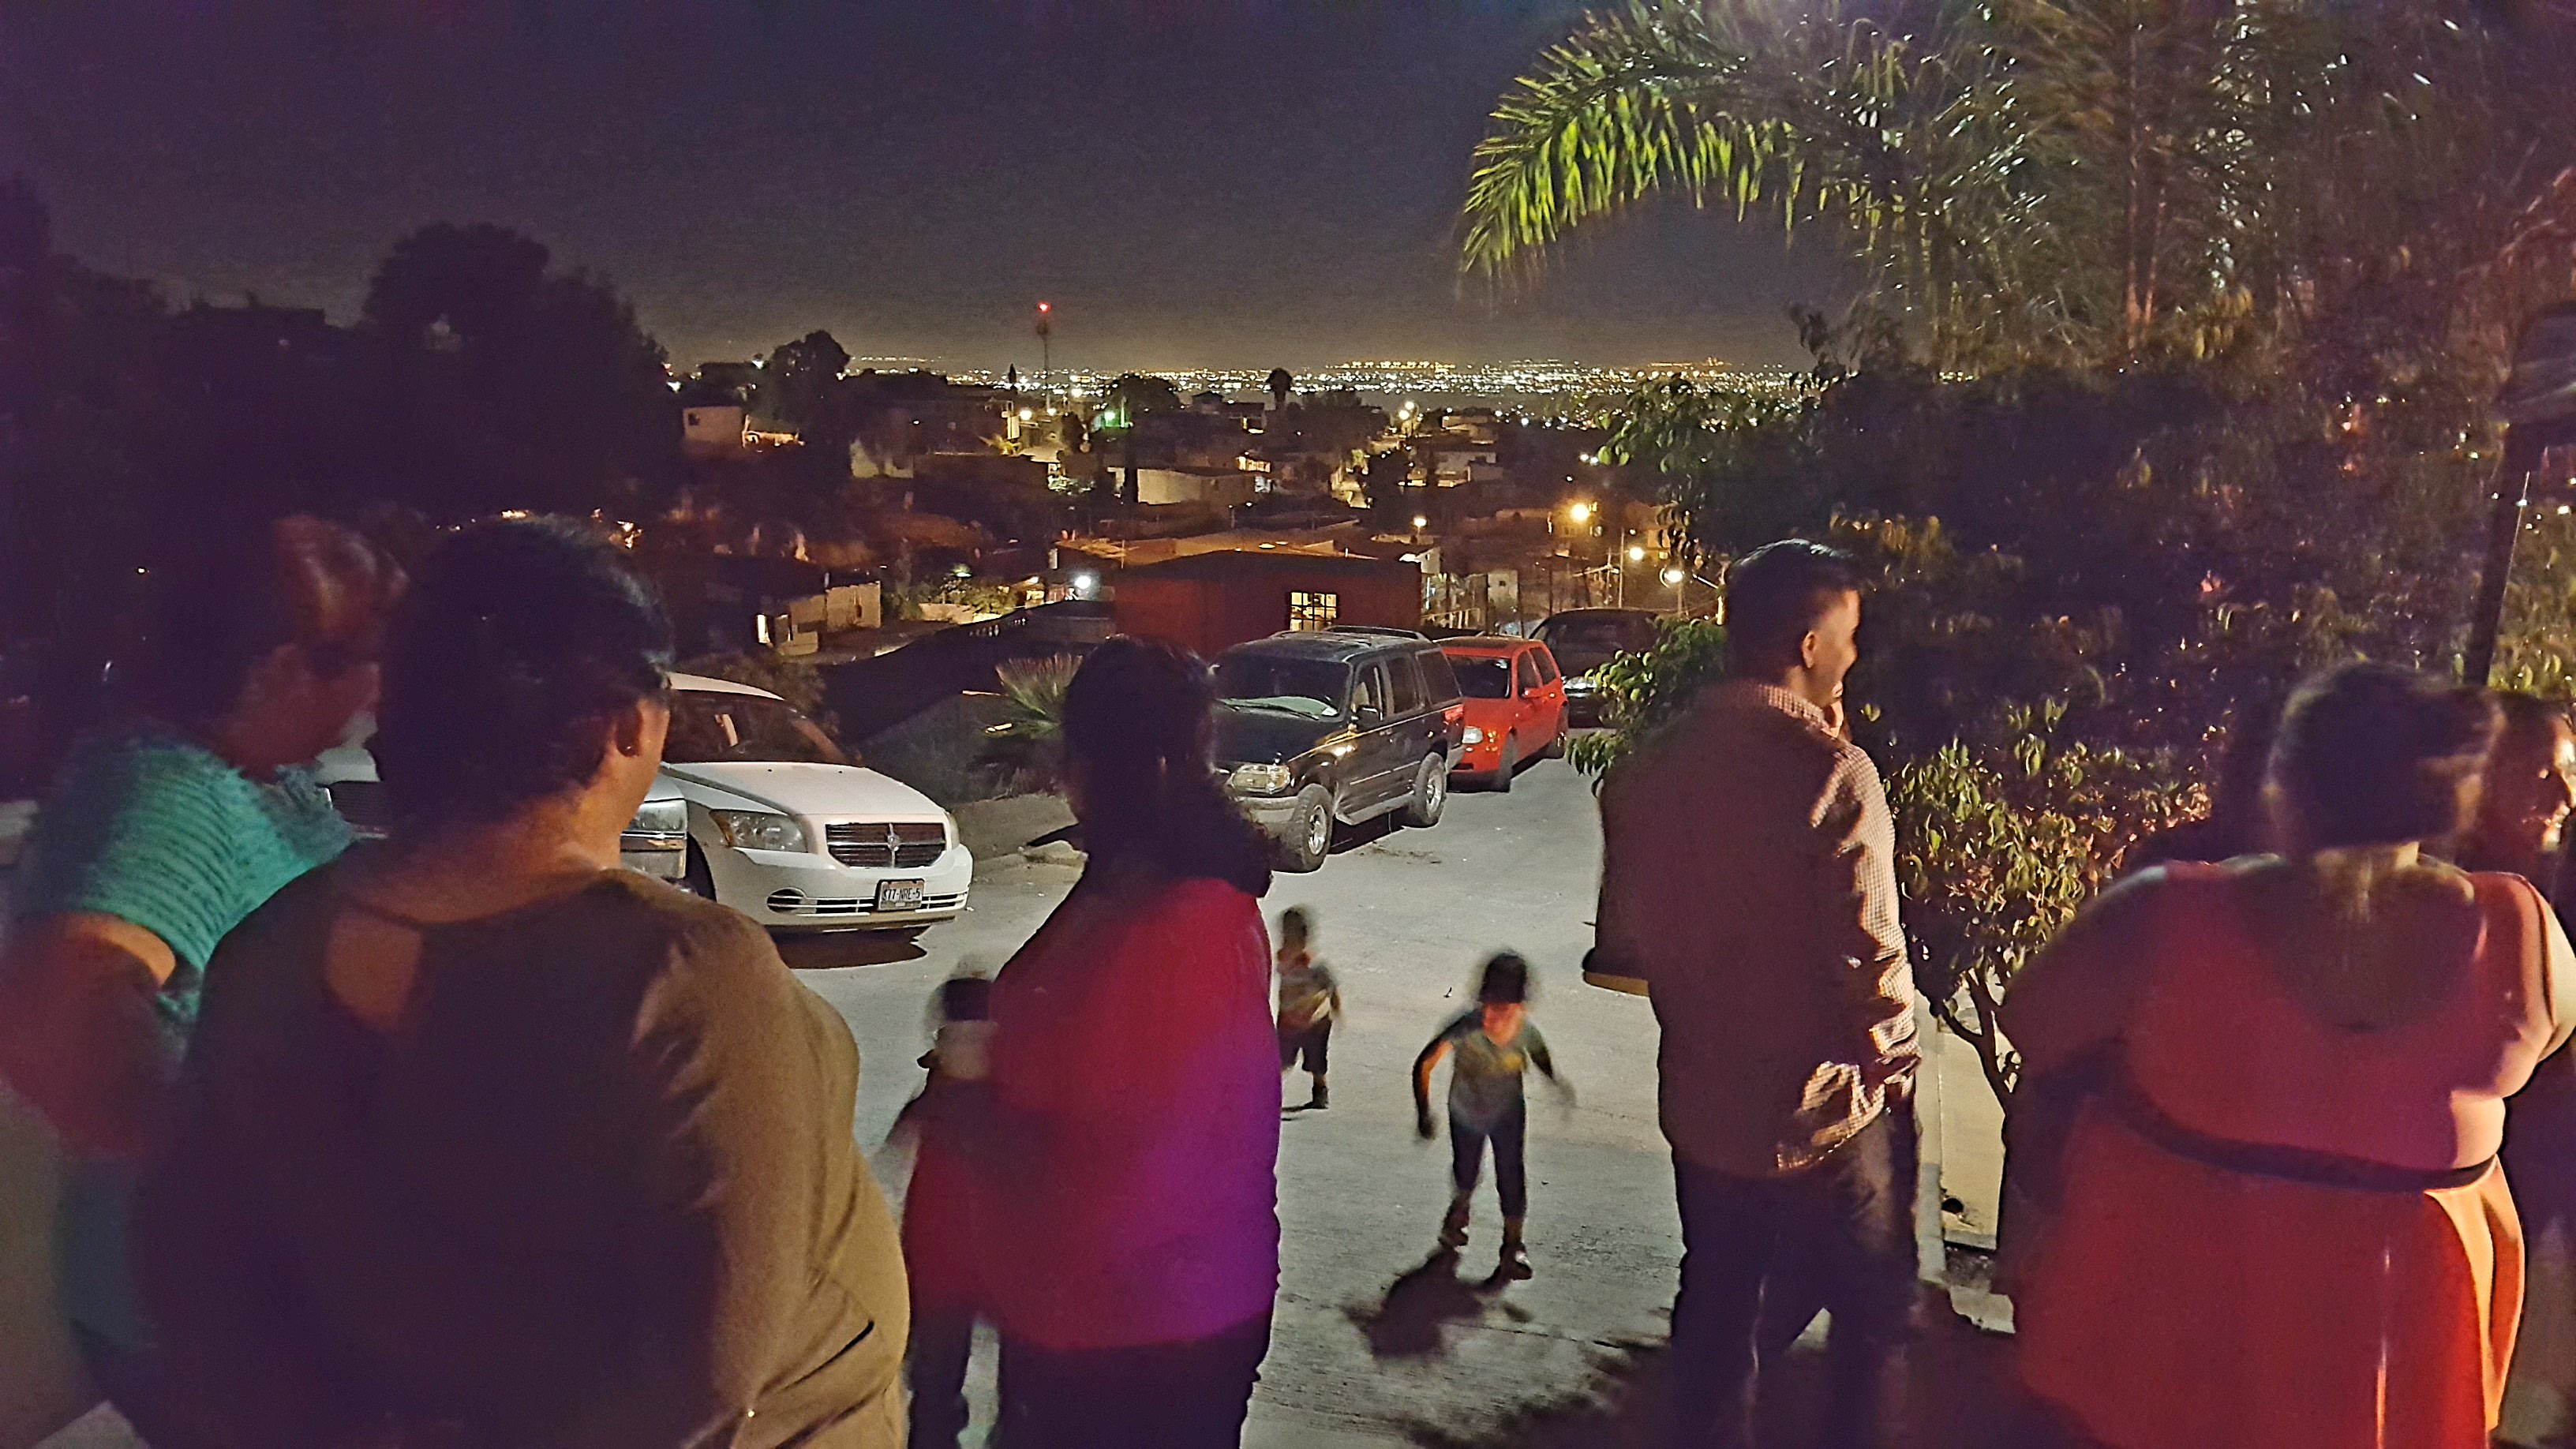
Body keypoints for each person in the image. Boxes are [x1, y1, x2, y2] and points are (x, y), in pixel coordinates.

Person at [130, 518, 909, 1447]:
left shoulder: (274, 948)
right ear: (626, 724)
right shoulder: (683, 970)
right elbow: (700, 1373)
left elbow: (191, 1266)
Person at [2003, 664, 2576, 1449]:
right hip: (2390, 1354)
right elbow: (2552, 1051)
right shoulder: (2519, 933)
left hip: (2173, 1339)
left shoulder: (2170, 915)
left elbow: (2033, 1020)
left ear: (2287, 784)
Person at [0, 515, 400, 1419]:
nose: (380, 692)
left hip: (239, 1307)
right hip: (205, 1322)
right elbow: (53, 1019)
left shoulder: (257, 773)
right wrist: (250, 1182)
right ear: (280, 669)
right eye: (367, 658)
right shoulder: (163, 795)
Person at [1589, 538, 1918, 1449]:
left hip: (1702, 1104)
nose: (1853, 654)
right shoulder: (1833, 777)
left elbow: (1628, 942)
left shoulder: (1649, 766)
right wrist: (1895, 1059)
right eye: (1846, 636)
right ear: (1810, 646)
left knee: (1720, 1312)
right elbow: (1869, 955)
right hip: (1822, 1112)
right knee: (1873, 1318)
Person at [983, 637, 1280, 1449]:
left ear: (1127, 770)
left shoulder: (1177, 929)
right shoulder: (1141, 883)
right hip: (1159, 1313)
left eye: (1074, 756)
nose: (1062, 777)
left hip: (1135, 1334)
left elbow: (1131, 1178)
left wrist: (986, 1128)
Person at [1412, 951, 1570, 1282]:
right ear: (1482, 1000)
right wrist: (1424, 1113)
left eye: (1508, 1009)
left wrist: (1554, 1080)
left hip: (1508, 1112)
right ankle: (1459, 1211)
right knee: (1466, 1170)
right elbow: (1424, 1064)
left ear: (1521, 1006)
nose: (1499, 1018)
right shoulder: (1466, 1027)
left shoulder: (1524, 1029)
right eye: (1493, 1008)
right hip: (1467, 1112)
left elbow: (1539, 1054)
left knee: (1511, 1173)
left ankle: (1513, 1245)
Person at [894, 974, 996, 1449]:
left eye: (976, 1037)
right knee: (935, 1389)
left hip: (990, 1269)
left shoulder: (1005, 1103)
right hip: (936, 1272)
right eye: (953, 1036)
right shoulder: (934, 1101)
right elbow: (894, 1172)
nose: (963, 1048)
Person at [1275, 906, 1342, 1110]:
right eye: (1285, 939)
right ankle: (1270, 1092)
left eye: (1292, 941)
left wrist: (1337, 1013)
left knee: (1317, 1062)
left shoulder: (1315, 967)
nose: (1287, 945)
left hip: (1315, 1023)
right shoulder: (1282, 961)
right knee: (1281, 1061)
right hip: (1288, 1021)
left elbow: (1332, 989)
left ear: (1304, 941)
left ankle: (1320, 1090)